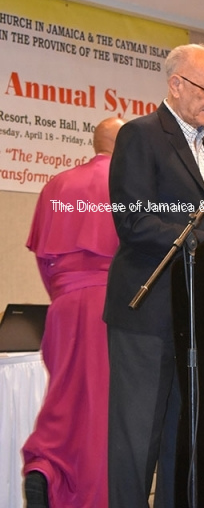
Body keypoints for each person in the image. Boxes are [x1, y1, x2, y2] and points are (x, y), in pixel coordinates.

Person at [103, 43, 204, 508]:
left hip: (192, 312)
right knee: (136, 442)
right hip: (146, 309)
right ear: (176, 84)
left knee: (183, 439)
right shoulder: (140, 135)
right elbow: (134, 220)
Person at [23, 117, 125, 508]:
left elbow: (43, 260)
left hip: (63, 307)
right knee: (100, 414)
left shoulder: (56, 185)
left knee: (64, 400)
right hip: (110, 305)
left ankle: (45, 468)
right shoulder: (128, 183)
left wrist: (65, 296)